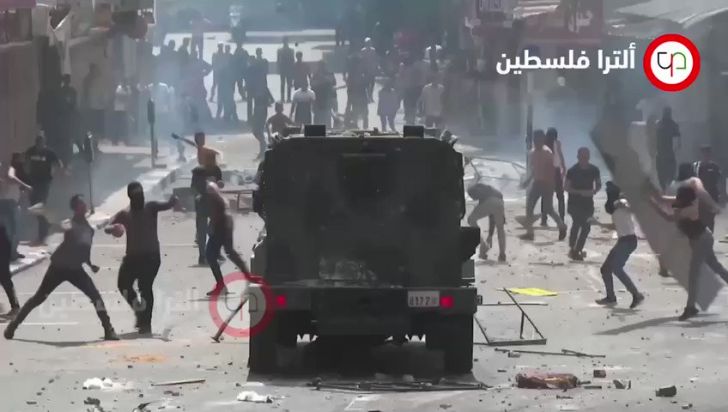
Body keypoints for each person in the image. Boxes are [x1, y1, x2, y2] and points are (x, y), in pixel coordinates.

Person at [4, 195, 118, 340]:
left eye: (84, 203)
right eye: (81, 204)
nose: (84, 205)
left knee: (96, 297)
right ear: (75, 208)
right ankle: (13, 326)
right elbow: (58, 225)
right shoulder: (70, 224)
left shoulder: (89, 229)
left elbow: (84, 249)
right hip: (58, 268)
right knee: (38, 298)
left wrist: (90, 265)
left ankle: (109, 330)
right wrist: (45, 214)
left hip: (76, 270)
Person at [650, 178, 726, 321]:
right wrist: (652, 195)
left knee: (693, 275)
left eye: (679, 198)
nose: (677, 199)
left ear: (685, 199)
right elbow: (665, 200)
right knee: (715, 266)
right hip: (700, 239)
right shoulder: (685, 201)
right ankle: (691, 307)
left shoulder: (689, 209)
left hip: (701, 240)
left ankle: (690, 308)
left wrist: (653, 205)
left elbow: (668, 218)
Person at [106, 183, 177, 334]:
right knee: (123, 285)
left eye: (141, 195)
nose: (140, 198)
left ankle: (146, 323)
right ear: (131, 197)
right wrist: (113, 228)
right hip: (132, 258)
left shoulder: (151, 207)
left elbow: (167, 204)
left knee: (145, 287)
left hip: (151, 257)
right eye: (137, 196)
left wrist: (173, 200)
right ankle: (139, 312)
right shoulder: (125, 214)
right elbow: (108, 226)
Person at [595, 182, 644, 308]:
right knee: (606, 269)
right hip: (623, 241)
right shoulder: (615, 211)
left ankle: (636, 295)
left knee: (616, 268)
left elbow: (631, 207)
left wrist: (624, 201)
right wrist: (598, 224)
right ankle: (611, 297)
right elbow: (615, 226)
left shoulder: (622, 203)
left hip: (628, 241)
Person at [205, 182, 251, 295]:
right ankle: (248, 277)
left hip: (221, 227)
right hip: (226, 225)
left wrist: (211, 227)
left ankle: (222, 286)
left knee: (210, 255)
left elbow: (216, 215)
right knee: (229, 252)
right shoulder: (218, 197)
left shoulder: (214, 198)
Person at [521, 130, 568, 241]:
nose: (537, 141)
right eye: (535, 139)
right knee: (529, 207)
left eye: (539, 139)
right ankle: (530, 233)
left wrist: (549, 184)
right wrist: (528, 181)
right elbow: (534, 169)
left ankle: (562, 226)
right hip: (537, 183)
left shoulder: (548, 153)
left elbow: (552, 170)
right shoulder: (532, 153)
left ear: (543, 140)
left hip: (547, 184)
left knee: (549, 209)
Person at [25, 135, 63, 246]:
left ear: (44, 143)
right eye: (38, 144)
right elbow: (25, 162)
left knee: (40, 206)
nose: (39, 146)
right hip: (33, 182)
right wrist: (27, 173)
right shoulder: (31, 151)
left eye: (41, 144)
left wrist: (55, 173)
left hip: (44, 182)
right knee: (33, 206)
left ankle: (42, 235)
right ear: (36, 143)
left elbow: (59, 164)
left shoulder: (49, 153)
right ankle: (46, 225)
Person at [565, 147, 601, 261]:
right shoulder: (572, 171)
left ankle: (577, 249)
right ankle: (573, 248)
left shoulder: (594, 170)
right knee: (577, 224)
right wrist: (580, 192)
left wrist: (594, 191)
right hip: (574, 203)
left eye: (586, 156)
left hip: (588, 203)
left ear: (589, 157)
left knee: (586, 227)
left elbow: (599, 184)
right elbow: (566, 187)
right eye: (582, 156)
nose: (584, 158)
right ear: (578, 156)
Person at [0, 158, 31, 261]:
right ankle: (12, 253)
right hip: (9, 204)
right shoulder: (10, 169)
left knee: (9, 230)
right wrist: (26, 186)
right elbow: (11, 177)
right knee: (13, 230)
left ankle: (12, 252)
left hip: (8, 203)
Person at [467, 182, 506, 262]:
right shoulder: (490, 189)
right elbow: (492, 215)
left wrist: (490, 235)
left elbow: (491, 215)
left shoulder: (476, 192)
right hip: (500, 202)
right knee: (500, 228)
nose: (473, 199)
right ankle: (502, 254)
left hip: (491, 201)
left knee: (471, 219)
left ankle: (483, 245)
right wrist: (490, 235)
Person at [191, 166, 223, 265]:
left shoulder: (201, 183)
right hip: (206, 210)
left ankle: (205, 255)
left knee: (203, 234)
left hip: (205, 210)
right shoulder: (206, 182)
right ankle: (208, 254)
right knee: (207, 233)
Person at [693, 145, 722, 232]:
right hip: (700, 196)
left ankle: (709, 235)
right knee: (700, 217)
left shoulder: (715, 167)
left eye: (707, 154)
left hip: (712, 196)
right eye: (704, 153)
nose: (706, 156)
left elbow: (719, 181)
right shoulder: (696, 166)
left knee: (710, 219)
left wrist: (721, 195)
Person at [541, 128, 566, 227]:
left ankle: (544, 219)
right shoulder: (557, 143)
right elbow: (560, 155)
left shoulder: (543, 143)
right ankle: (561, 218)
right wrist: (563, 167)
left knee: (546, 196)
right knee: (560, 196)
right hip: (555, 171)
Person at [656, 106, 681, 191]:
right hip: (662, 154)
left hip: (667, 154)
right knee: (663, 176)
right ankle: (664, 190)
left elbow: (677, 140)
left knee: (669, 175)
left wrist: (674, 151)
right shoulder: (660, 124)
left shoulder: (672, 125)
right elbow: (654, 138)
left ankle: (667, 190)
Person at [0, 222, 20, 316]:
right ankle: (15, 307)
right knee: (6, 280)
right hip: (4, 250)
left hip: (2, 253)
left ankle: (15, 307)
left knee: (5, 280)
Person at [245, 48, 269, 123]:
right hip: (257, 85)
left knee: (254, 103)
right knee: (255, 102)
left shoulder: (256, 64)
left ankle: (252, 118)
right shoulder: (262, 62)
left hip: (255, 86)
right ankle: (253, 118)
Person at [310, 60, 336, 127]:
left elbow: (333, 84)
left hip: (327, 99)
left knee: (327, 118)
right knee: (317, 119)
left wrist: (322, 79)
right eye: (320, 66)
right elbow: (312, 85)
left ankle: (328, 130)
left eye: (322, 66)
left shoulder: (330, 74)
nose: (321, 67)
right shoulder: (315, 75)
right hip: (318, 99)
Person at [252, 87, 275, 159]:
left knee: (258, 131)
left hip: (261, 110)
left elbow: (272, 100)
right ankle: (263, 149)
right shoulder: (256, 87)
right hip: (258, 110)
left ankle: (263, 150)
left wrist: (265, 103)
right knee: (257, 131)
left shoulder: (264, 88)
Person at [277, 37, 295, 102]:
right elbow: (278, 60)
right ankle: (285, 98)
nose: (285, 42)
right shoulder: (282, 50)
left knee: (287, 84)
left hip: (286, 69)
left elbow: (292, 60)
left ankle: (287, 98)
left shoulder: (288, 50)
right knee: (284, 84)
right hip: (285, 69)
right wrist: (278, 69)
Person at [360, 38, 378, 102]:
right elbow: (361, 60)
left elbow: (375, 59)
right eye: (367, 43)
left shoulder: (373, 50)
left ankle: (371, 96)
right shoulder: (363, 51)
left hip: (372, 70)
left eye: (369, 43)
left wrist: (376, 67)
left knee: (372, 84)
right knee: (367, 84)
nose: (368, 44)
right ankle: (368, 96)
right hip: (366, 70)